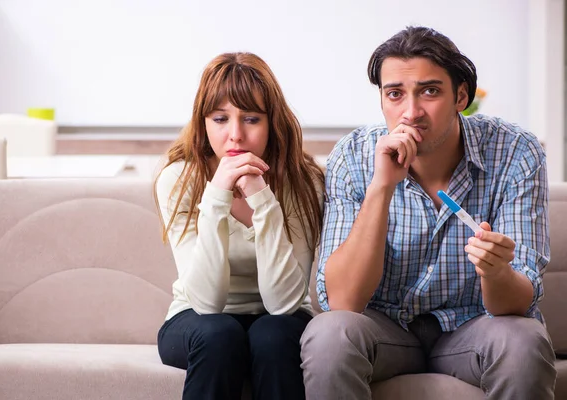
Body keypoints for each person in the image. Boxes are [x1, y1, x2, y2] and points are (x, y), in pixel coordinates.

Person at [300, 26, 556, 399]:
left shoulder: (516, 152)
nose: (411, 112)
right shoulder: (353, 155)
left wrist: (497, 271)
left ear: (461, 96)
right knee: (329, 335)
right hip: (383, 330)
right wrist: (381, 188)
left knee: (524, 340)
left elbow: (516, 303)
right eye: (395, 94)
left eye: (430, 91)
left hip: (475, 328)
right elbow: (342, 302)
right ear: (382, 100)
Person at [154, 52, 324, 400]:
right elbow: (206, 303)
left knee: (272, 334)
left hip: (280, 319)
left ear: (271, 122)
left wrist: (263, 199)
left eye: (251, 119)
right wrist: (216, 198)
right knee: (220, 333)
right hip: (196, 319)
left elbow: (285, 303)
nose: (235, 135)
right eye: (220, 118)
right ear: (203, 123)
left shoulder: (305, 181)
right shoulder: (177, 179)